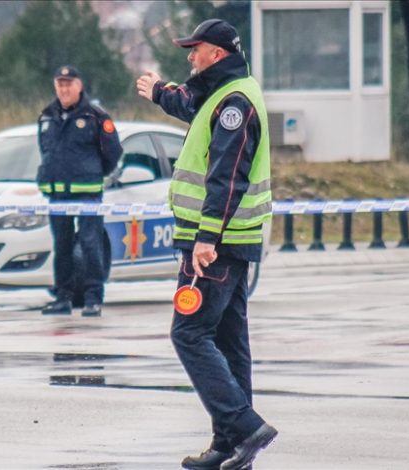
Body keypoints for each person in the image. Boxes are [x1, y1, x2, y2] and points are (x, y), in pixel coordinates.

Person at [136, 19, 277, 470]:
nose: (189, 56)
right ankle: (231, 447)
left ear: (216, 52)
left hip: (217, 243)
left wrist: (205, 239)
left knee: (189, 333)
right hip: (232, 242)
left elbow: (226, 178)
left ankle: (243, 425)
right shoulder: (226, 88)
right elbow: (191, 101)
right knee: (230, 342)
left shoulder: (235, 102)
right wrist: (160, 92)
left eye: (194, 49)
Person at [37, 66, 123, 317]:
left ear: (79, 85)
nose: (64, 88)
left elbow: (113, 152)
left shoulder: (96, 116)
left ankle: (93, 298)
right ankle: (62, 297)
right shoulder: (46, 115)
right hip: (57, 194)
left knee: (90, 245)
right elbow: (46, 151)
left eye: (69, 83)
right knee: (61, 246)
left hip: (87, 193)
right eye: (60, 83)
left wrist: (95, 173)